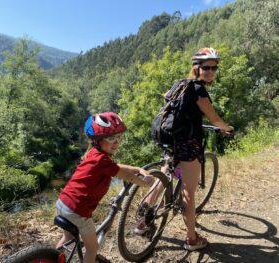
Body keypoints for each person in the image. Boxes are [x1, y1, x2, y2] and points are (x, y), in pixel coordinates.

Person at [135, 48, 233, 251]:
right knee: (189, 192)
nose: (211, 71)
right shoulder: (198, 89)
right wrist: (227, 128)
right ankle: (191, 239)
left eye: (214, 67)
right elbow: (214, 119)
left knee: (163, 178)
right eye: (206, 67)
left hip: (170, 138)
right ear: (196, 68)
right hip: (187, 143)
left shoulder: (181, 84)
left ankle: (142, 223)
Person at [56, 112, 154, 263]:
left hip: (64, 203)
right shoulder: (102, 160)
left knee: (67, 239)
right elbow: (124, 175)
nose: (116, 142)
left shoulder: (94, 154)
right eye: (110, 138)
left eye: (118, 137)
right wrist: (144, 183)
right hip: (78, 211)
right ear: (97, 140)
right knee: (92, 248)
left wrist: (136, 168)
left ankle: (53, 259)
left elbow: (116, 167)